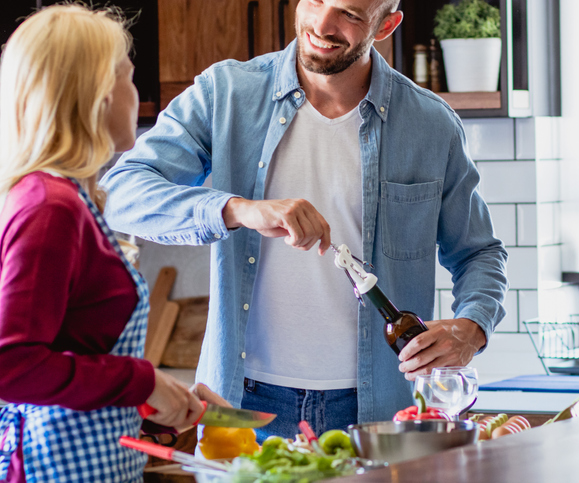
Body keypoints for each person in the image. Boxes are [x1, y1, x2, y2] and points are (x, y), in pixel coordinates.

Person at [100, 0, 508, 441]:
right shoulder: (226, 93)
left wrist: (473, 327)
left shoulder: (430, 124)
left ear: (386, 25)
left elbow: (479, 252)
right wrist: (238, 208)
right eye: (315, 1)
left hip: (379, 410)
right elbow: (122, 194)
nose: (322, 24)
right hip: (243, 405)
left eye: (350, 15)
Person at [0, 5, 227, 482]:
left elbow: (75, 350)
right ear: (97, 94)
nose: (136, 93)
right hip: (54, 469)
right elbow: (11, 364)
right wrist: (143, 380)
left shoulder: (70, 200)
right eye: (127, 76)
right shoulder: (50, 208)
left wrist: (156, 397)